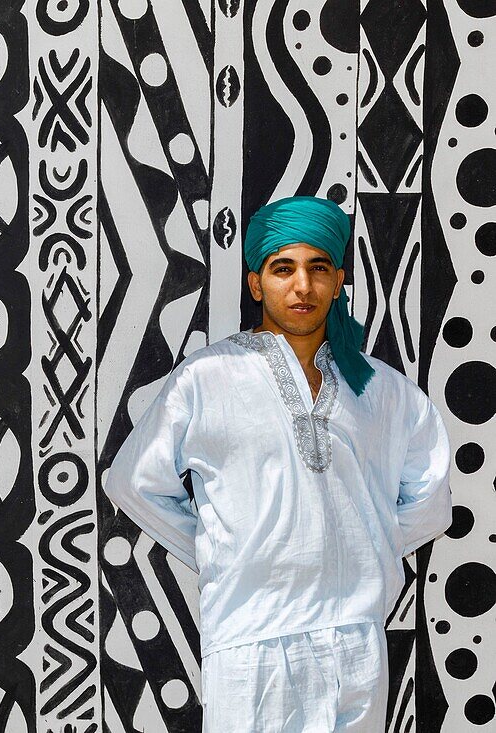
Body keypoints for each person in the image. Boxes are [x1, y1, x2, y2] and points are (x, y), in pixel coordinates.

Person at [102, 196, 453, 731]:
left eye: (317, 269)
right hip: (252, 642)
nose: (302, 286)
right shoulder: (207, 379)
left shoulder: (384, 391)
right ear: (255, 283)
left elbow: (430, 499)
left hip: (357, 642)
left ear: (338, 282)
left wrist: (365, 542)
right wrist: (223, 547)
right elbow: (133, 482)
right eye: (282, 268)